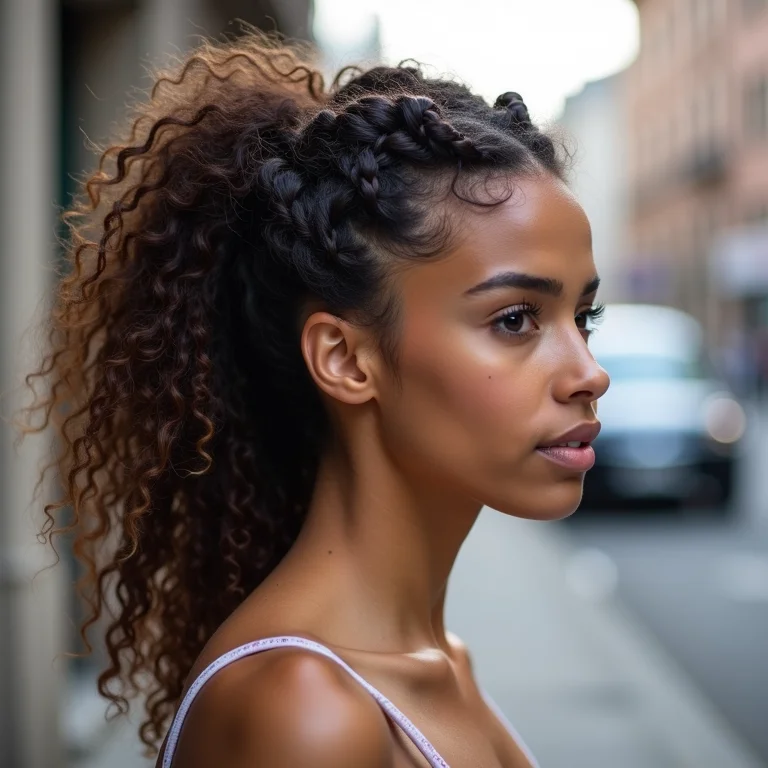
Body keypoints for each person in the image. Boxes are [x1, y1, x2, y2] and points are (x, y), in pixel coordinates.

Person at [25, 29, 609, 768]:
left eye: (583, 318)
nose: (588, 371)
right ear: (345, 359)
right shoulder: (306, 712)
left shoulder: (434, 660)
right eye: (515, 319)